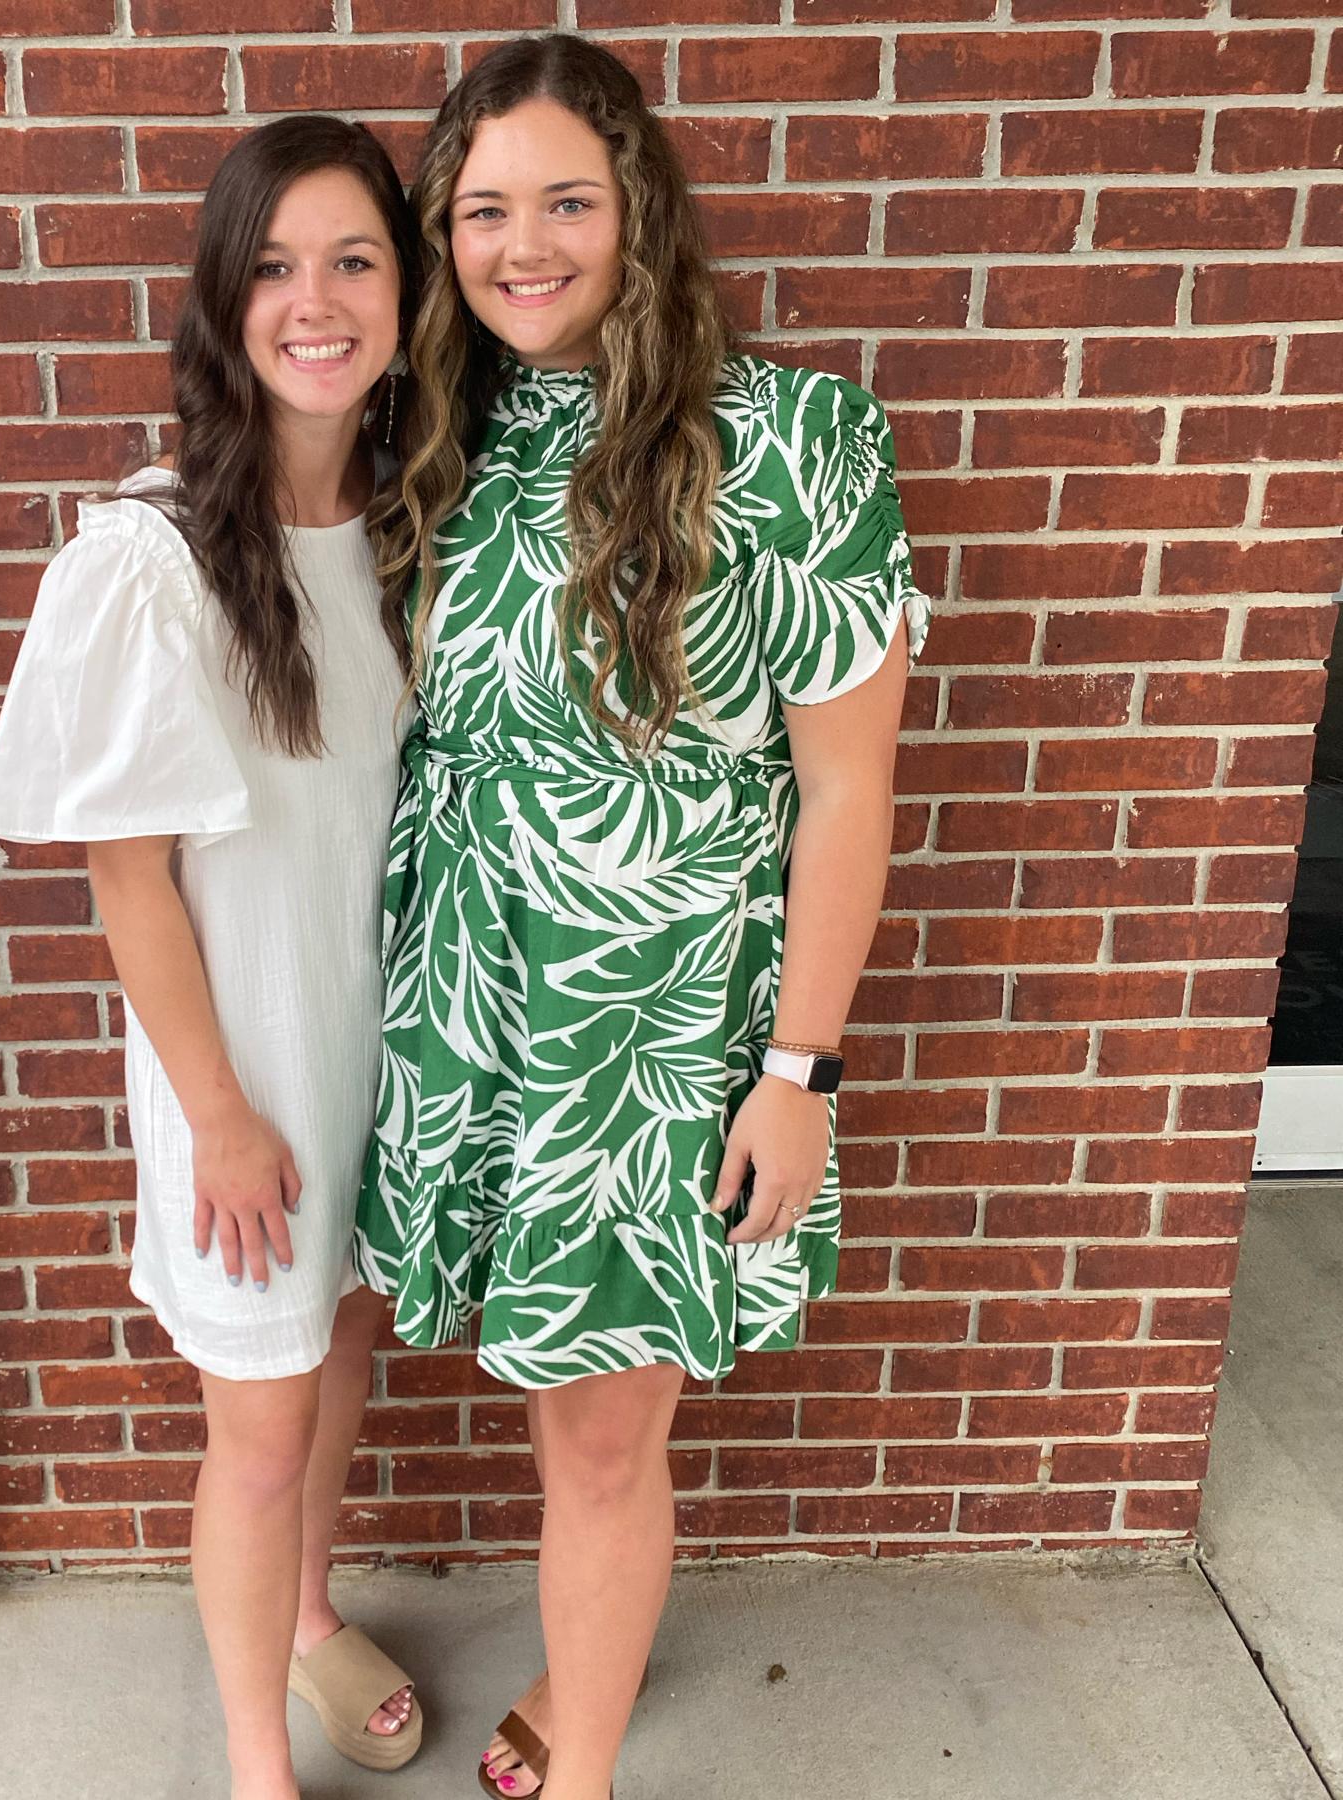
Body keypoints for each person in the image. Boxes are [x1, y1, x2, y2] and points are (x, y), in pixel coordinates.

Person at [353, 36, 931, 1800]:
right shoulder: (451, 434)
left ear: (640, 213)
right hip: (480, 1005)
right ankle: (584, 1656)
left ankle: (588, 1760)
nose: (523, 247)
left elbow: (848, 789)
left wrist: (801, 1073)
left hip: (656, 1032)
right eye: (482, 212)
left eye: (567, 202)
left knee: (603, 1436)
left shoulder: (796, 439)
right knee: (561, 1414)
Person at [0, 115, 425, 1800]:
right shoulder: (151, 559)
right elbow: (131, 880)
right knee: (259, 1425)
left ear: (405, 295)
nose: (318, 301)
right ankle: (253, 1764)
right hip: (243, 1077)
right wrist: (222, 1116)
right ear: (225, 300)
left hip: (380, 1055)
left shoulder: (408, 531)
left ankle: (307, 1618)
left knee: (340, 1353)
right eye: (277, 266)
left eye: (355, 260)